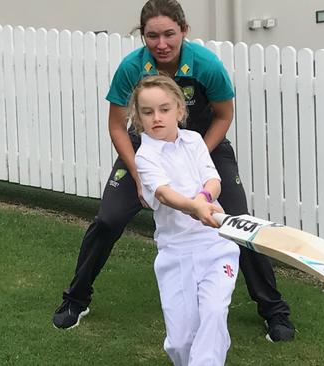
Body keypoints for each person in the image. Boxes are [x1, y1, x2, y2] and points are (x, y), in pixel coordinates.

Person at [52, 0, 295, 342]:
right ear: (143, 36)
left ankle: (274, 312)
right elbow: (118, 127)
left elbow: (224, 115)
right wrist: (139, 175)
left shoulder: (206, 65)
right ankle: (75, 300)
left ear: (184, 31)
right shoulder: (130, 68)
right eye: (152, 36)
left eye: (169, 34)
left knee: (237, 220)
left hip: (203, 147)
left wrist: (195, 158)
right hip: (146, 152)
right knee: (108, 218)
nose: (161, 43)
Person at [132, 75, 238, 365]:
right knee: (181, 342)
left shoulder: (193, 141)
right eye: (148, 112)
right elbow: (164, 194)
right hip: (175, 254)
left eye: (165, 109)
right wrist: (196, 208)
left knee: (214, 312)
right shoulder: (144, 156)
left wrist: (204, 199)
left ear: (180, 110)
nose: (157, 117)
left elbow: (213, 178)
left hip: (216, 245)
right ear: (138, 118)